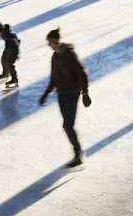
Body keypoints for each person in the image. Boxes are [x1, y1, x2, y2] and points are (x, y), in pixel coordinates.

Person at [39, 28, 91, 168]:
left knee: (67, 125)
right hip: (61, 94)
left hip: (72, 94)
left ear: (55, 42)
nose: (48, 45)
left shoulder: (70, 55)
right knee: (67, 125)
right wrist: (46, 93)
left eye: (49, 42)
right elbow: (53, 78)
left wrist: (85, 93)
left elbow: (82, 74)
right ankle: (78, 153)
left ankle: (78, 154)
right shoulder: (55, 57)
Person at [0, 20, 20, 89]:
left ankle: (14, 79)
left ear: (1, 30)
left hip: (14, 49)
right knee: (3, 60)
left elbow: (17, 42)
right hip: (8, 47)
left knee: (10, 63)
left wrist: (17, 53)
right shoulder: (4, 32)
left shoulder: (10, 34)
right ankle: (5, 74)